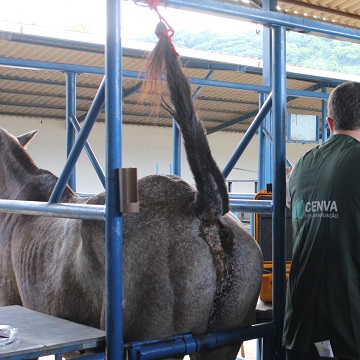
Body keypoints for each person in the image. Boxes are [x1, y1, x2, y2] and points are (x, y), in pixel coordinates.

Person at [283, 81, 360, 360]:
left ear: (329, 122)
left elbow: (289, 204)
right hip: (350, 332)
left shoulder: (301, 166)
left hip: (301, 329)